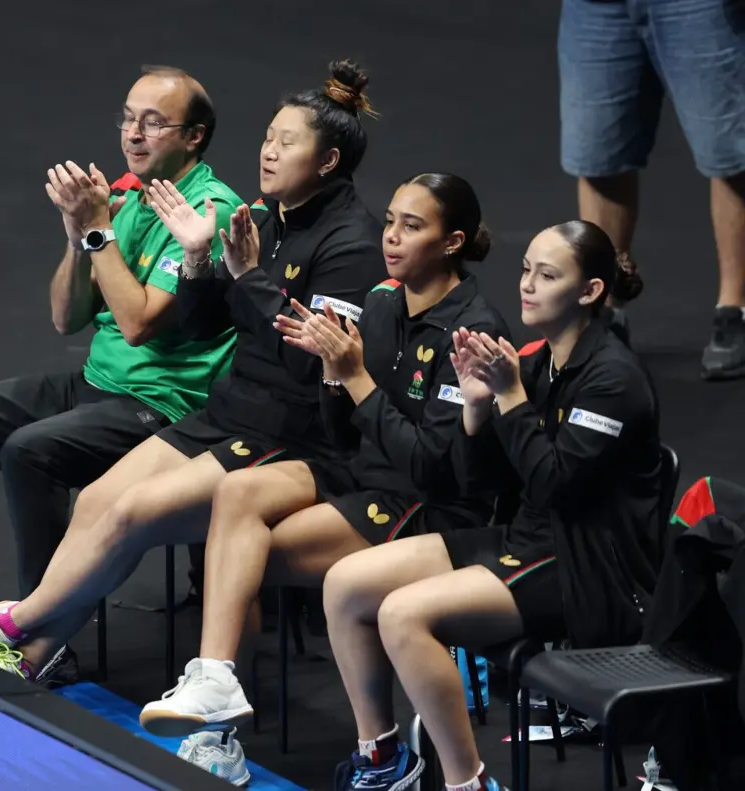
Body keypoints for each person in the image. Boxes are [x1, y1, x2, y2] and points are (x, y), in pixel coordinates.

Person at [0, 60, 387, 688]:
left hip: (296, 436)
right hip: (231, 414)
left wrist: (247, 275)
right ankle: (34, 654)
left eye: (287, 143)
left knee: (129, 515)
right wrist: (203, 260)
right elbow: (207, 327)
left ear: (328, 162)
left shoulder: (351, 246)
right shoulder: (259, 220)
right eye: (267, 137)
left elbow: (304, 363)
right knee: (98, 499)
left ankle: (12, 629)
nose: (268, 152)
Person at [137, 174, 512, 761]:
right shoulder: (384, 302)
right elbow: (341, 433)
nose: (390, 238)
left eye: (412, 227)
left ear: (452, 242)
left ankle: (223, 732)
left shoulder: (471, 330)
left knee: (238, 562)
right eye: (389, 220)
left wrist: (354, 378)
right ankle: (216, 688)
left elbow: (431, 467)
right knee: (237, 503)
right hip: (363, 476)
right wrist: (334, 378)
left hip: (428, 506)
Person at [320, 220, 661, 791]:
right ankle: (382, 760)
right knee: (346, 583)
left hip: (587, 566)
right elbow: (476, 485)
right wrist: (478, 411)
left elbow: (553, 486)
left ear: (590, 292)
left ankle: (467, 782)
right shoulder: (540, 362)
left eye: (547, 275)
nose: (526, 284)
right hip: (525, 539)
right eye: (526, 268)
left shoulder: (612, 381)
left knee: (403, 615)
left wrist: (509, 396)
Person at [0, 66, 242, 639]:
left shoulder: (207, 210)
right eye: (128, 118)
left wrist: (98, 232)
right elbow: (66, 318)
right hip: (100, 383)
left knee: (30, 452)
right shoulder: (124, 193)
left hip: (165, 404)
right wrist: (76, 235)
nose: (133, 134)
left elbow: (138, 325)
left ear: (194, 136)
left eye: (154, 122)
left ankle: (41, 634)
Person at [558, 0, 745, 378]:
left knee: (732, 155)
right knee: (599, 157)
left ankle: (737, 309)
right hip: (595, 7)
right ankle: (604, 309)